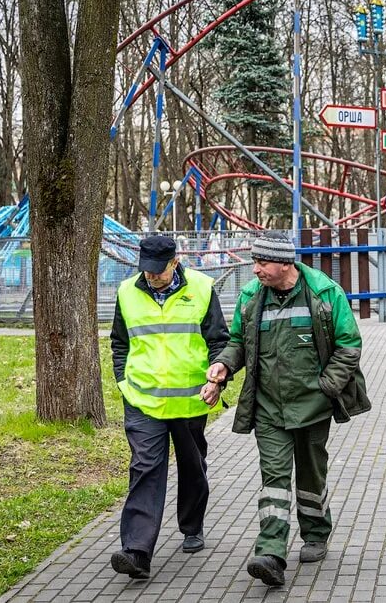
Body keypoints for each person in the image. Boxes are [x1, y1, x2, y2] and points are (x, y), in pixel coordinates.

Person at [202, 231, 370, 587]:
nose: (256, 270)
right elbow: (237, 342)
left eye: (262, 263)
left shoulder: (323, 293)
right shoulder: (251, 297)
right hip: (268, 407)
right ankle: (271, 552)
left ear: (284, 263)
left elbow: (349, 345)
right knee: (274, 477)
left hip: (313, 406)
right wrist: (223, 367)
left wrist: (326, 387)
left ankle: (315, 533)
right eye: (255, 262)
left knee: (311, 474)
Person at [108, 234, 229, 579]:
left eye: (158, 271)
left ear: (174, 262)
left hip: (190, 400)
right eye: (146, 270)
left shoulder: (202, 288)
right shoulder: (127, 292)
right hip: (143, 401)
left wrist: (216, 381)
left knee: (192, 466)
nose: (151, 276)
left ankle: (191, 526)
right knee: (145, 467)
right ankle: (137, 551)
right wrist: (124, 383)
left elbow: (219, 340)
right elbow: (120, 342)